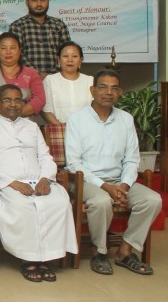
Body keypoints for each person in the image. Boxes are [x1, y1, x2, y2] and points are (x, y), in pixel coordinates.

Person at [0, 85, 78, 282]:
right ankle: (27, 259)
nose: (13, 104)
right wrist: (12, 182)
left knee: (58, 202)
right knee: (22, 206)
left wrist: (45, 179)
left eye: (18, 100)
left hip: (37, 180)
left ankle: (47, 257)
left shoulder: (31, 126)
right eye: (7, 100)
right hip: (5, 182)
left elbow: (45, 156)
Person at [65, 69, 162, 276]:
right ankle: (99, 252)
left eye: (114, 88)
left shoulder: (126, 119)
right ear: (92, 90)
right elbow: (74, 163)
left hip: (119, 181)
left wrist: (124, 186)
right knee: (101, 201)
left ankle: (125, 250)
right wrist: (105, 187)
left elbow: (132, 159)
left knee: (152, 200)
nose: (108, 92)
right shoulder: (76, 119)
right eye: (103, 87)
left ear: (120, 92)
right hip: (87, 181)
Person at [8, 0, 72, 77]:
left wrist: (52, 75)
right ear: (27, 2)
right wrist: (36, 74)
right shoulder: (17, 26)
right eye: (34, 0)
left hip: (58, 78)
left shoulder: (59, 25)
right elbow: (17, 55)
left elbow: (67, 53)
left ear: (48, 1)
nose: (39, 4)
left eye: (43, 0)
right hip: (27, 79)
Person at [42, 41, 93, 124]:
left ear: (80, 60)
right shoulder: (50, 80)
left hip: (87, 129)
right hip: (59, 130)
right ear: (59, 59)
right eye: (65, 56)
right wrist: (63, 129)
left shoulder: (90, 81)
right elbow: (46, 110)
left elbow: (96, 109)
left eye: (74, 56)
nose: (70, 60)